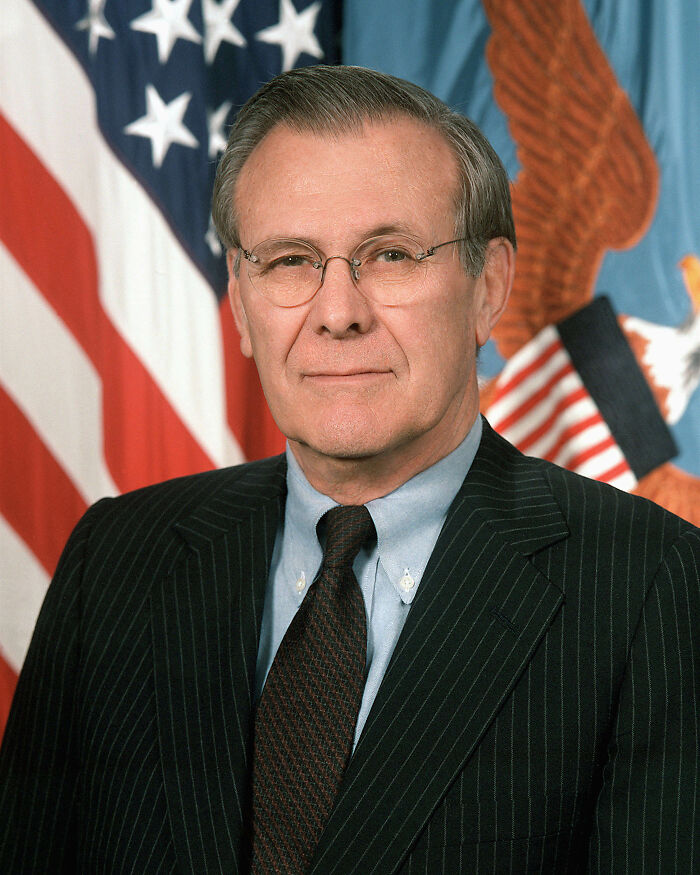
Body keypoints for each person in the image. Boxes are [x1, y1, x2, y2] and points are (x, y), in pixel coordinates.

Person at [1, 65, 698, 875]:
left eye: (391, 254)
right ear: (240, 301)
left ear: (489, 286)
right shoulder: (116, 560)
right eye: (291, 260)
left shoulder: (651, 587)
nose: (338, 312)